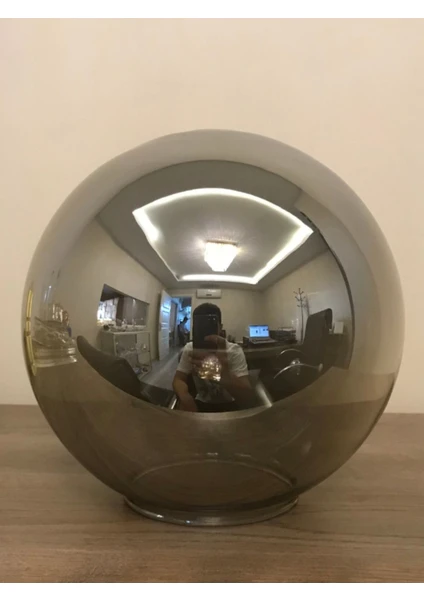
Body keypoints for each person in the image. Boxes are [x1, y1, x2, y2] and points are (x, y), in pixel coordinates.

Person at [173, 303, 253, 412]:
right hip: (201, 403)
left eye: (210, 326)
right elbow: (178, 379)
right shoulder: (190, 349)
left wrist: (223, 375)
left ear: (221, 327)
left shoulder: (234, 350)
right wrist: (185, 397)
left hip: (230, 404)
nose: (205, 330)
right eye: (201, 326)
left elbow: (247, 397)